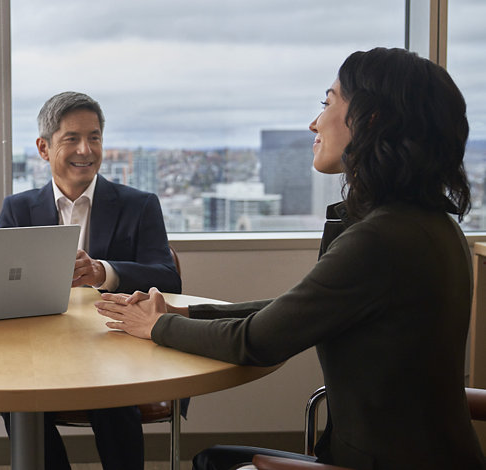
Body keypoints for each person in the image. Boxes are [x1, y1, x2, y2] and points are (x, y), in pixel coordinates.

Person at [95, 47, 486, 470]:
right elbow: (294, 310)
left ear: (371, 119)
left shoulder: (382, 239)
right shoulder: (427, 225)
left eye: (328, 102)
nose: (314, 122)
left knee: (214, 463)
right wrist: (179, 312)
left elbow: (255, 342)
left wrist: (158, 327)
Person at [0, 91, 181, 470]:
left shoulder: (139, 204)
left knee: (111, 393)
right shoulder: (18, 209)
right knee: (12, 399)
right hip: (41, 350)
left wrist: (103, 272)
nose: (86, 149)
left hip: (117, 344)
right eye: (72, 138)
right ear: (44, 148)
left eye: (94, 137)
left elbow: (168, 279)